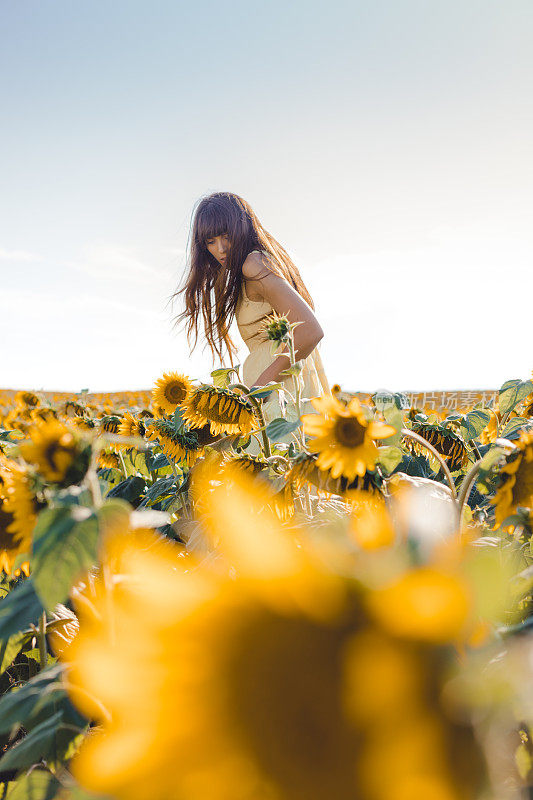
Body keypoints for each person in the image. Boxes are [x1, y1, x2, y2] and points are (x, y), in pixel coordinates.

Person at [174, 191, 329, 430]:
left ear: (242, 227)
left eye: (226, 236)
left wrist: (255, 394)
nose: (221, 249)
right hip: (281, 389)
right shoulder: (256, 264)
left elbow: (310, 332)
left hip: (279, 395)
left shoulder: (253, 264)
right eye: (210, 241)